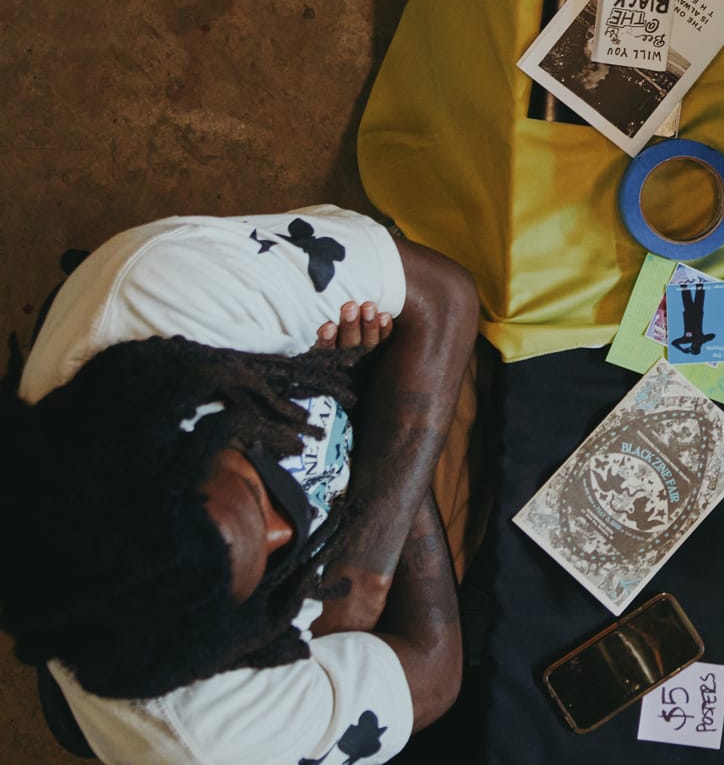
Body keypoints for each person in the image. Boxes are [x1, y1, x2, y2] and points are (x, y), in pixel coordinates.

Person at [0, 206, 480, 763]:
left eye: (257, 493)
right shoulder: (208, 737)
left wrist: (360, 579)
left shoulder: (169, 285)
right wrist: (375, 420)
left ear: (186, 425)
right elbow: (434, 676)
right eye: (248, 593)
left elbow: (444, 294)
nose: (288, 531)